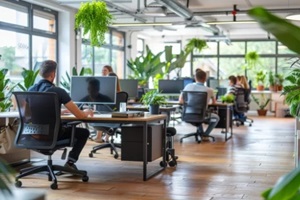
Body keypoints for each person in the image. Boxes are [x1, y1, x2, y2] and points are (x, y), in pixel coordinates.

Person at [29, 60, 93, 171]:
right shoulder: (58, 91)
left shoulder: (30, 90)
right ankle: (70, 162)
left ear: (40, 73)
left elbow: (29, 113)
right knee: (84, 132)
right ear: (53, 74)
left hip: (32, 134)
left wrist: (58, 112)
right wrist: (86, 112)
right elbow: (80, 116)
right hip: (52, 135)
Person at [179, 69, 220, 141]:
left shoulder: (188, 86)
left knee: (199, 114)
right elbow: (214, 103)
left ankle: (201, 133)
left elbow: (181, 101)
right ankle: (206, 134)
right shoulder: (210, 90)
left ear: (195, 78)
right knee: (216, 118)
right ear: (205, 79)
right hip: (202, 114)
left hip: (188, 114)